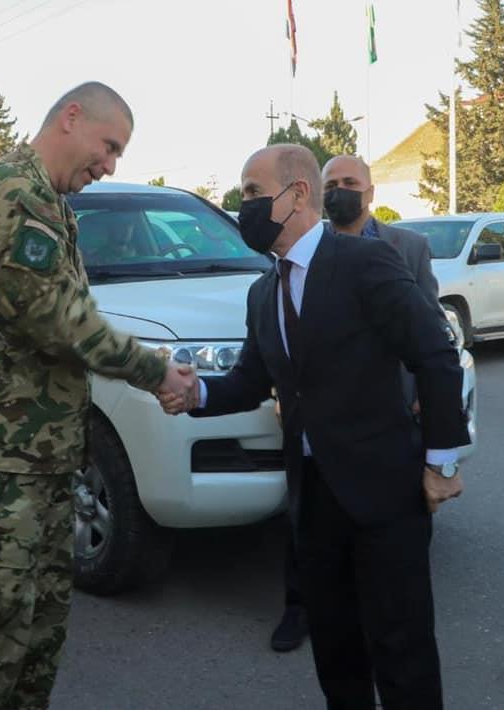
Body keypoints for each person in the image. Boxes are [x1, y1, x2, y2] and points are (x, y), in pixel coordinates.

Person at [161, 144, 469, 709]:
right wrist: (194, 392)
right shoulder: (263, 292)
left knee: (402, 650)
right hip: (313, 496)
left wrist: (441, 461)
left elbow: (435, 355)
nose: (242, 205)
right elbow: (253, 381)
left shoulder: (363, 263)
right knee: (336, 649)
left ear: (298, 194)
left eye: (253, 193)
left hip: (386, 493)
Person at [0, 81, 193, 709]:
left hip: (37, 461)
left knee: (36, 633)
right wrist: (153, 371)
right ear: (71, 118)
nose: (110, 165)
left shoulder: (52, 204)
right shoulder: (14, 192)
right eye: (109, 145)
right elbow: (55, 317)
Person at [269, 153, 450, 652]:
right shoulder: (296, 256)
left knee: (388, 561)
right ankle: (300, 609)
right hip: (318, 422)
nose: (341, 191)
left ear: (371, 192)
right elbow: (284, 339)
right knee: (308, 523)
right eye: (333, 183)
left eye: (351, 182)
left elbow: (429, 330)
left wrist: (427, 414)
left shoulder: (406, 247)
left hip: (384, 417)